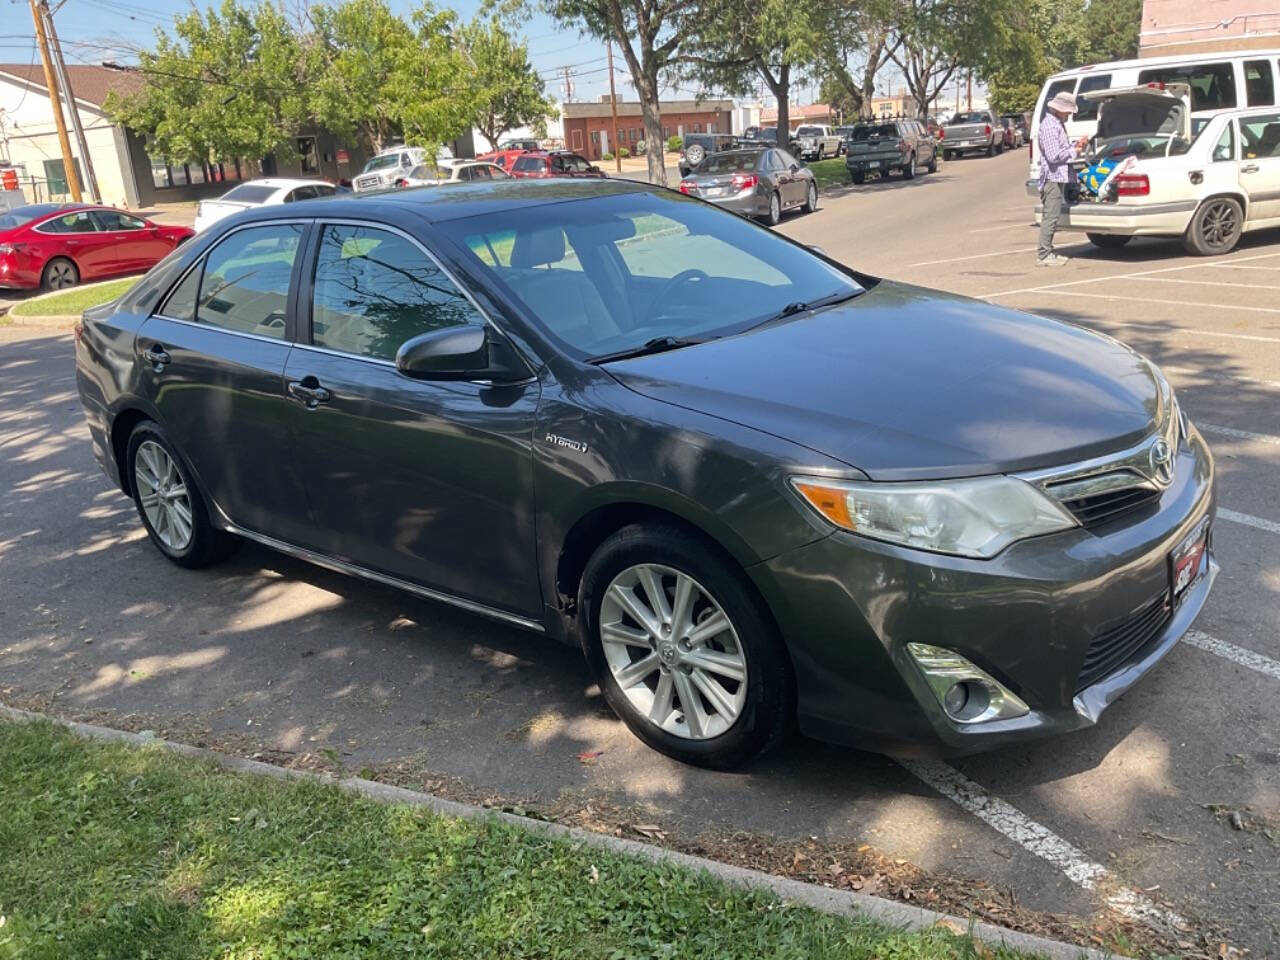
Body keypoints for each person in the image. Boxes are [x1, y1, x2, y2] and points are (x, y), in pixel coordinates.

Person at [1037, 92, 1089, 266]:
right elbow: (1053, 156)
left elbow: (1059, 151)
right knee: (1050, 216)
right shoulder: (1051, 126)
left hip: (1056, 176)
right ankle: (1044, 255)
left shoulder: (1055, 124)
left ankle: (1047, 252)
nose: (1069, 115)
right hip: (1052, 177)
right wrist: (1075, 151)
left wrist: (1075, 146)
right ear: (1059, 110)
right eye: (1067, 112)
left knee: (1052, 215)